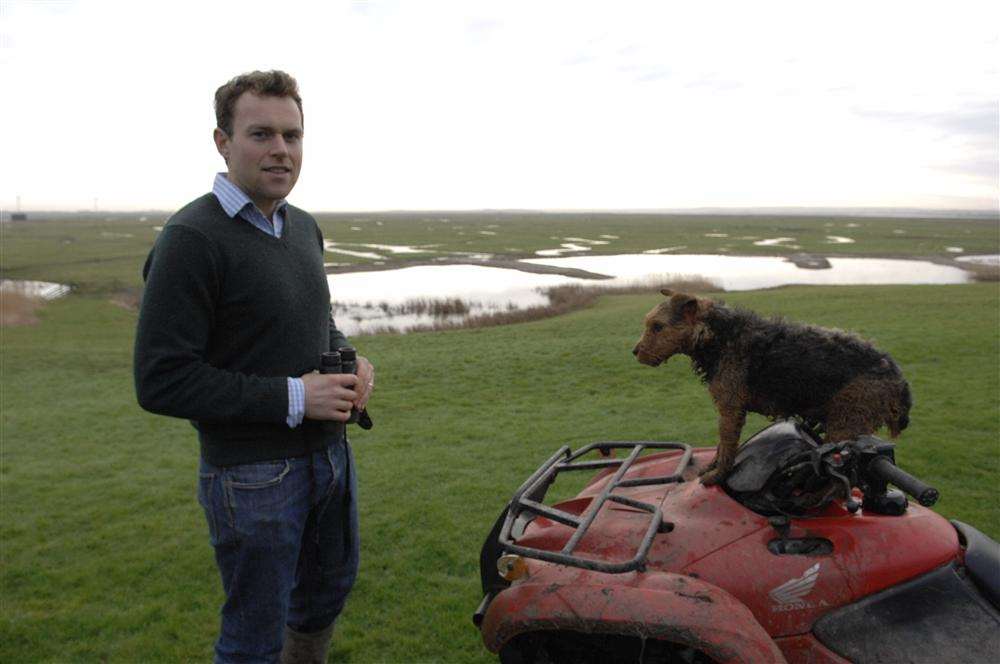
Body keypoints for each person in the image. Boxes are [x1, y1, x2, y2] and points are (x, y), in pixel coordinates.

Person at [134, 70, 373, 664]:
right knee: (253, 634)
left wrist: (352, 359)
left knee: (324, 598)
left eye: (292, 136)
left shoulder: (302, 227)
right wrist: (296, 397)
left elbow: (317, 320)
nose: (281, 150)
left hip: (330, 456)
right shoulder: (191, 238)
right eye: (261, 134)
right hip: (251, 476)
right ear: (223, 141)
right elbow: (161, 378)